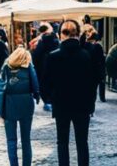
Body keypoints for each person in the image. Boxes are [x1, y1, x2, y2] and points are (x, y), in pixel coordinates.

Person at [42, 20, 96, 166]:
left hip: (61, 106)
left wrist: (51, 99)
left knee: (62, 142)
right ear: (77, 35)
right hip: (82, 107)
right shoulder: (86, 55)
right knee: (82, 142)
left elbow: (45, 84)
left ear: (61, 36)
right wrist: (90, 104)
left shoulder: (53, 56)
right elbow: (93, 83)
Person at [0, 47, 39, 166]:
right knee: (26, 140)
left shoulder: (6, 66)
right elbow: (35, 85)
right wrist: (36, 96)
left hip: (9, 105)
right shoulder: (28, 66)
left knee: (11, 140)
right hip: (26, 104)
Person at [31, 24, 59, 111]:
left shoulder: (43, 40)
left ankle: (47, 102)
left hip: (44, 66)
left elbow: (37, 54)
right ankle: (53, 101)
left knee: (44, 84)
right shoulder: (56, 39)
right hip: (55, 65)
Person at [81, 25, 107, 103]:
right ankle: (93, 104)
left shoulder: (83, 46)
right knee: (93, 90)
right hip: (95, 71)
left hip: (85, 71)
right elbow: (101, 60)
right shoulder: (97, 46)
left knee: (86, 90)